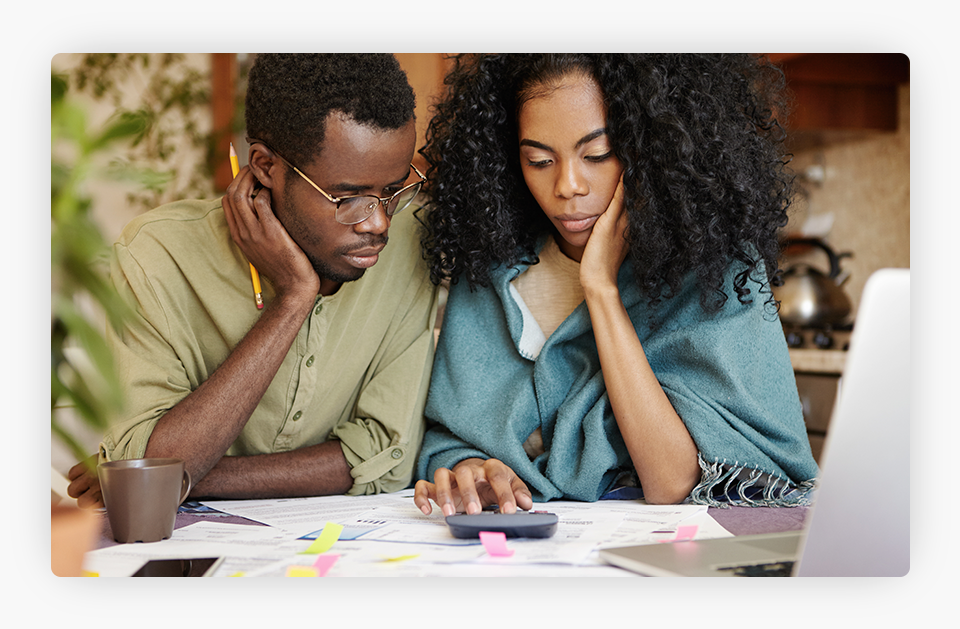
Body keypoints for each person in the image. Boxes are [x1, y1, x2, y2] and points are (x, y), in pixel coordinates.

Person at [413, 53, 819, 516]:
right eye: (539, 160)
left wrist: (601, 288)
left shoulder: (715, 273)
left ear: (653, 147)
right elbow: (451, 439)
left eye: (597, 155)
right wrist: (471, 468)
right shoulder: (488, 269)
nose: (567, 185)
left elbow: (673, 480)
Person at [68, 54, 439, 508]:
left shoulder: (414, 243)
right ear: (264, 165)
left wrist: (196, 474)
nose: (379, 223)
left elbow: (386, 454)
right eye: (347, 198)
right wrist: (294, 299)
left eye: (392, 190)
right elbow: (148, 478)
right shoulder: (157, 256)